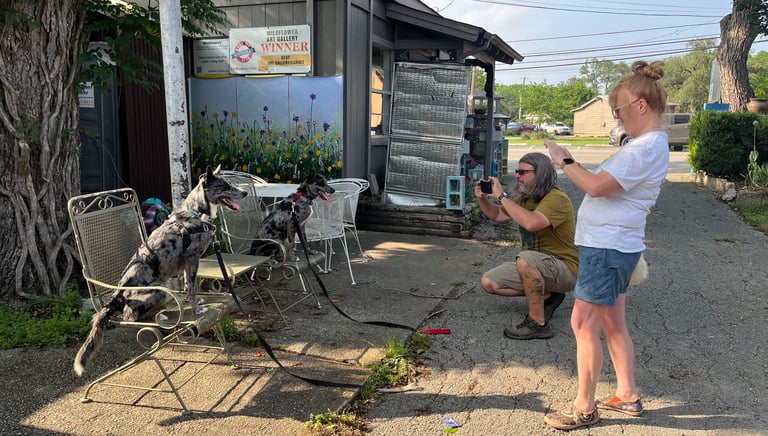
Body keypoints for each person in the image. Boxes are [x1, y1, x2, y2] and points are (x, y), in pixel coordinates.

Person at [542, 60, 670, 430]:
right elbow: (602, 182)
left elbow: (596, 187)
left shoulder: (643, 149)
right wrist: (571, 161)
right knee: (613, 321)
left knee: (582, 322)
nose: (616, 117)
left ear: (640, 106)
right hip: (613, 247)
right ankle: (627, 395)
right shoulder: (646, 146)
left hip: (608, 249)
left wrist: (564, 159)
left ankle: (585, 407)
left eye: (619, 110)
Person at [474, 152, 578, 340]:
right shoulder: (525, 199)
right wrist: (482, 198)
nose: (517, 176)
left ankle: (538, 323)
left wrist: (501, 195)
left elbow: (532, 223)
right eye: (517, 171)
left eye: (523, 172)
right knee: (489, 283)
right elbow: (498, 215)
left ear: (540, 174)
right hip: (535, 266)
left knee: (525, 259)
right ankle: (548, 295)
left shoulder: (557, 199)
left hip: (566, 269)